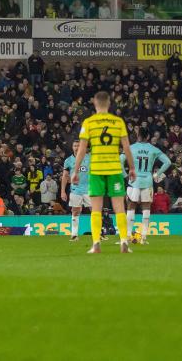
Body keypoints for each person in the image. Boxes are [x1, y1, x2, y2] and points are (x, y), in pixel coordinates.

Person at [71, 91, 136, 254]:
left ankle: (96, 244)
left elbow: (82, 149)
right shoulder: (118, 121)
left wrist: (75, 170)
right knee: (119, 207)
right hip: (114, 169)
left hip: (97, 169)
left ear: (94, 103)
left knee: (96, 209)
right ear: (108, 103)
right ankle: (123, 242)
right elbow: (127, 147)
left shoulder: (89, 122)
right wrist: (132, 168)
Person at [123, 138, 171, 245]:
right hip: (147, 181)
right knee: (146, 208)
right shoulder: (153, 149)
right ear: (148, 136)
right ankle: (143, 238)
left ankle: (127, 236)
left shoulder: (131, 147)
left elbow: (120, 160)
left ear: (138, 136)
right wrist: (157, 174)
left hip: (133, 181)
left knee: (131, 207)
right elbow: (168, 162)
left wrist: (125, 176)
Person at [61, 141, 91, 242]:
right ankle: (74, 235)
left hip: (89, 189)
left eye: (78, 145)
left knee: (94, 210)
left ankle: (98, 234)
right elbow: (65, 176)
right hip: (75, 189)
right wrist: (62, 191)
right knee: (75, 211)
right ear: (72, 147)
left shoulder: (89, 157)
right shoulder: (68, 160)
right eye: (75, 145)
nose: (77, 147)